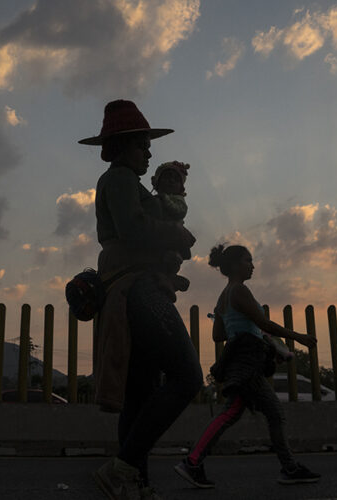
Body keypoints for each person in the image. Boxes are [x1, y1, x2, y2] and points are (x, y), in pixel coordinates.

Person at [78, 100, 203, 500]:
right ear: (120, 147)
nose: (149, 152)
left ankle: (135, 482)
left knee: (142, 392)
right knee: (186, 377)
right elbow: (133, 228)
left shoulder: (129, 184)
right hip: (137, 291)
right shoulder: (117, 179)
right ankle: (123, 468)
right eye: (142, 145)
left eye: (148, 145)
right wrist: (176, 237)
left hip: (135, 288)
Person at [174, 244, 321, 489]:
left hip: (239, 361)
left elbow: (218, 335)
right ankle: (289, 468)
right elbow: (263, 322)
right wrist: (298, 337)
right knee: (270, 413)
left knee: (233, 413)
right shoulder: (239, 290)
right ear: (233, 266)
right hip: (248, 362)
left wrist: (237, 325)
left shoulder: (223, 297)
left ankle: (194, 461)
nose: (252, 265)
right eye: (247, 260)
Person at [151, 161, 191, 292]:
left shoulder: (177, 200)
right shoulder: (153, 200)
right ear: (156, 182)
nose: (171, 181)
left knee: (172, 257)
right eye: (167, 177)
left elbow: (180, 211)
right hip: (160, 236)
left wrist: (165, 200)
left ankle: (170, 277)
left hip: (174, 237)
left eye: (176, 179)